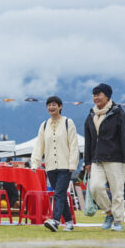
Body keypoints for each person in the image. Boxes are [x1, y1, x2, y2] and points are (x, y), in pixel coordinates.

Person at [84, 83, 125, 232]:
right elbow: (88, 140)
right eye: (94, 95)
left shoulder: (118, 113)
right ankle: (109, 213)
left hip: (116, 158)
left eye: (98, 94)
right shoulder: (91, 115)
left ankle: (118, 221)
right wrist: (87, 161)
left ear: (107, 96)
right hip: (97, 158)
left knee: (117, 191)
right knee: (95, 187)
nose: (95, 97)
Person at [31, 96, 79, 232]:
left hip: (65, 166)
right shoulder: (44, 125)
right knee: (60, 195)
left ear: (60, 106)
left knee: (58, 193)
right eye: (49, 105)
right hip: (51, 166)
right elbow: (39, 145)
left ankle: (55, 221)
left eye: (54, 105)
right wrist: (35, 163)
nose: (51, 107)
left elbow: (74, 144)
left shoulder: (68, 122)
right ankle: (69, 222)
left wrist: (72, 164)